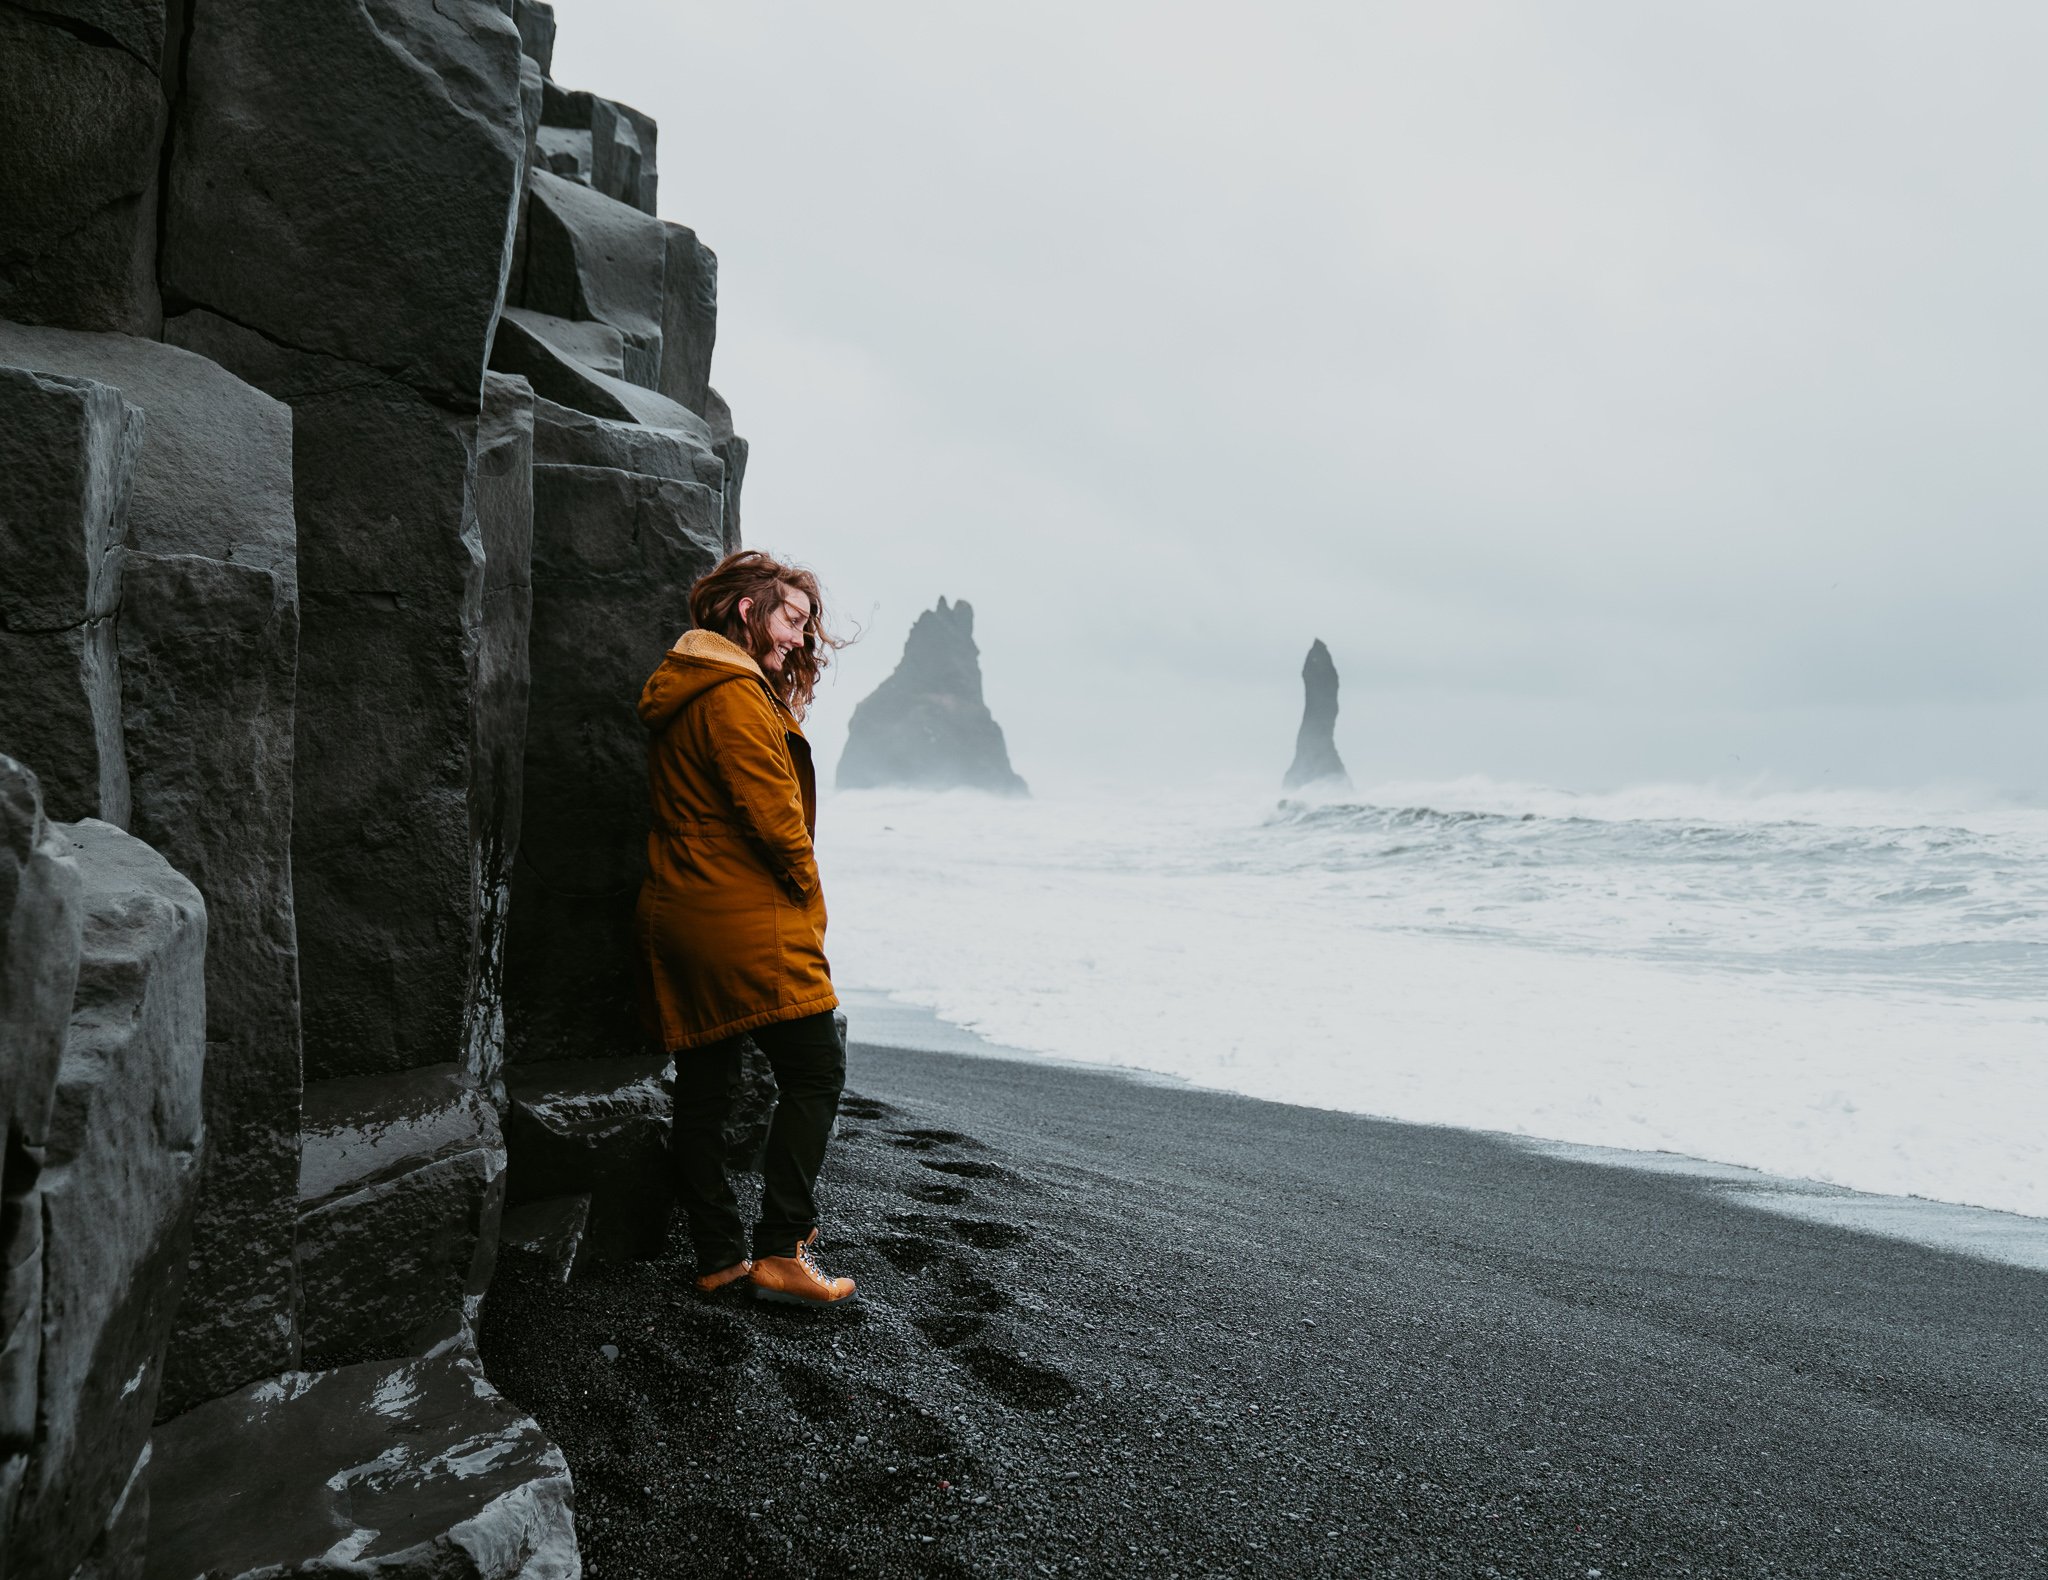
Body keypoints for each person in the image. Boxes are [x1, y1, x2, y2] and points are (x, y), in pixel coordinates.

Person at [636, 549, 855, 1306]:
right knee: (816, 1069)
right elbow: (774, 817)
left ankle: (721, 1255)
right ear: (746, 609)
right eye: (792, 619)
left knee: (705, 1085)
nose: (798, 638)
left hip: (684, 908)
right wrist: (807, 893)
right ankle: (781, 1250)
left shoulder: (692, 682)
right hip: (738, 914)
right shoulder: (732, 693)